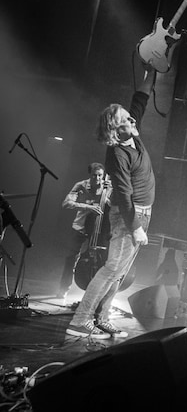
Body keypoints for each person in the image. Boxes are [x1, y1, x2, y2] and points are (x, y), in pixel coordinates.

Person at [66, 64, 157, 339]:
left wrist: (153, 68)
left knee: (119, 272)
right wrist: (136, 227)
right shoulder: (117, 154)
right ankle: (80, 321)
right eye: (127, 120)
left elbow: (140, 99)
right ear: (115, 129)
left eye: (131, 118)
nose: (133, 120)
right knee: (112, 269)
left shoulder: (131, 136)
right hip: (129, 215)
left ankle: (101, 317)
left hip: (142, 212)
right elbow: (124, 193)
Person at [58, 162, 111, 299]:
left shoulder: (108, 186)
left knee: (100, 262)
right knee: (71, 259)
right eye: (95, 176)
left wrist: (108, 195)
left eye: (100, 175)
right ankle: (64, 288)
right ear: (90, 175)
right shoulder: (80, 185)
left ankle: (94, 292)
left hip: (98, 231)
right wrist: (87, 207)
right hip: (80, 227)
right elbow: (66, 203)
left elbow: (113, 206)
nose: (98, 179)